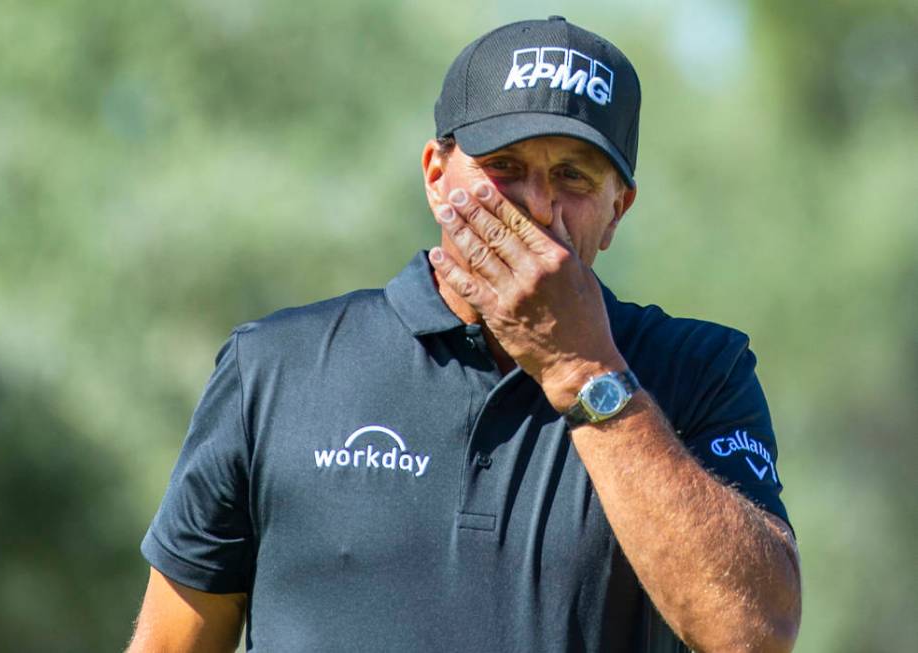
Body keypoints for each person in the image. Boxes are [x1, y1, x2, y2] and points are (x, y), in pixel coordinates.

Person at [127, 16, 801, 653]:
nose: (538, 204)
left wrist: (583, 370)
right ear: (435, 175)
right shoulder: (273, 367)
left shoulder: (700, 369)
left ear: (616, 209)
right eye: (504, 165)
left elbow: (753, 630)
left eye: (573, 175)